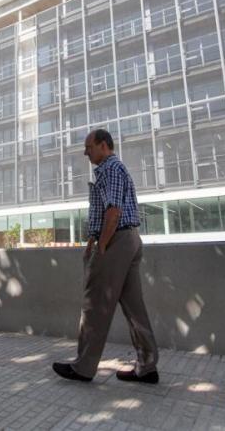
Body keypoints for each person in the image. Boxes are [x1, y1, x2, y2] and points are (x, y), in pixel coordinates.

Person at [52, 129, 159, 384]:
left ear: (103, 145)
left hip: (117, 240)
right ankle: (147, 366)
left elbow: (113, 210)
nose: (85, 152)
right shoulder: (113, 169)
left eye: (89, 147)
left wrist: (102, 245)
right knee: (134, 308)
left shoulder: (110, 168)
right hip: (129, 238)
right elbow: (107, 210)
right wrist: (93, 238)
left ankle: (83, 367)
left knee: (95, 304)